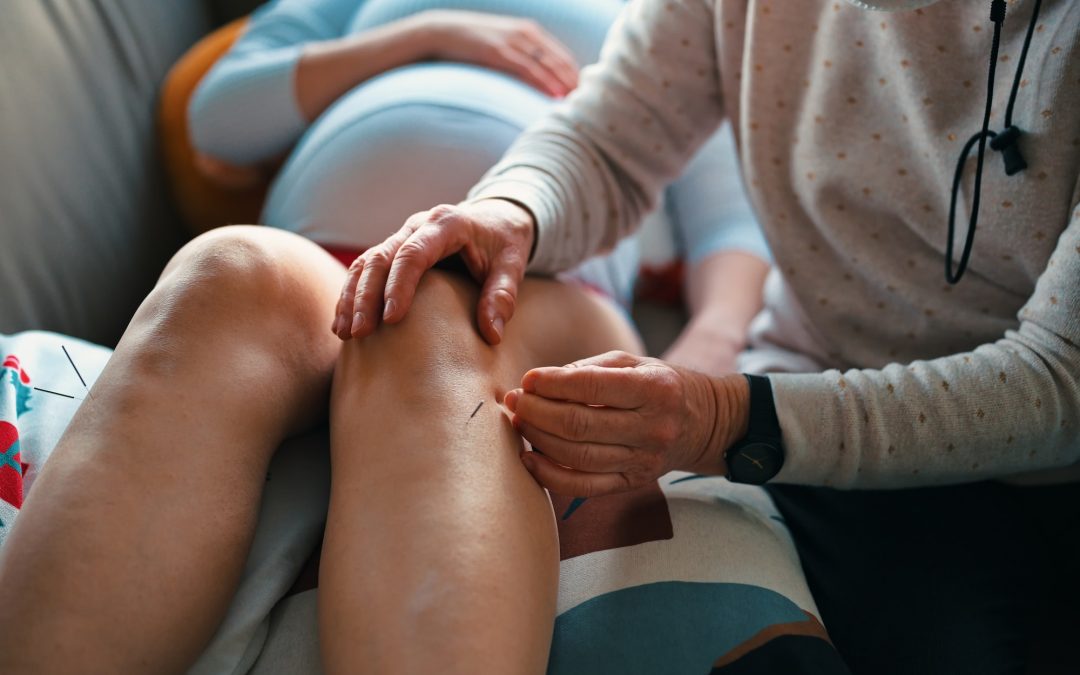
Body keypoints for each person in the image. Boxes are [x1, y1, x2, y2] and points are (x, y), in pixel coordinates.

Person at [0, 2, 826, 674]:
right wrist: (431, 32)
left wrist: (706, 356)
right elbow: (219, 116)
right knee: (225, 266)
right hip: (321, 273)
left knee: (436, 312)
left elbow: (731, 224)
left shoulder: (650, 25)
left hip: (542, 293)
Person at [329, 0, 1080, 673]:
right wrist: (512, 209)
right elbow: (608, 138)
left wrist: (729, 418)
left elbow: (1063, 379)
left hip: (1023, 458)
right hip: (813, 401)